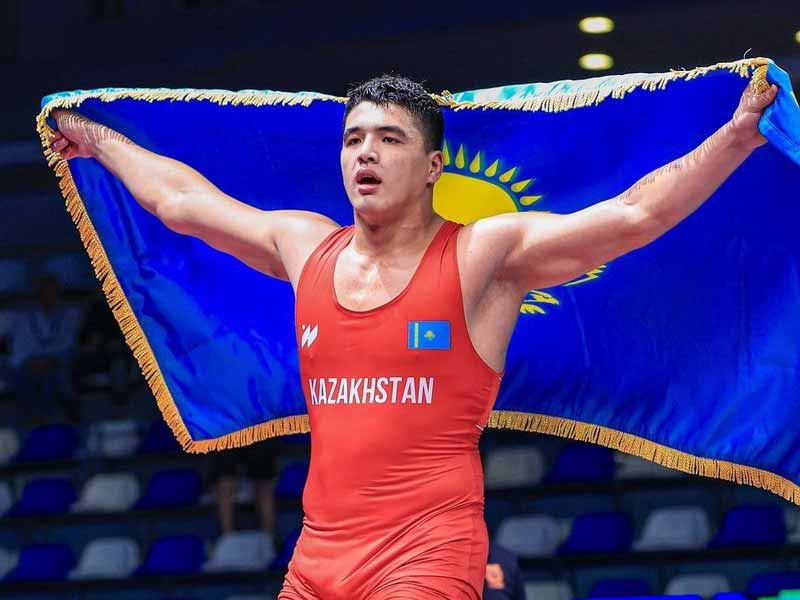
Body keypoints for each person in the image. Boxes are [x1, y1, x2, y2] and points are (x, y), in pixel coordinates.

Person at [48, 73, 777, 599]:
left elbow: (633, 217)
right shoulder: (304, 246)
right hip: (317, 557)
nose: (364, 153)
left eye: (389, 139)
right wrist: (99, 139)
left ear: (433, 167)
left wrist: (736, 136)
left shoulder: (485, 255)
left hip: (426, 556)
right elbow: (180, 202)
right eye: (353, 139)